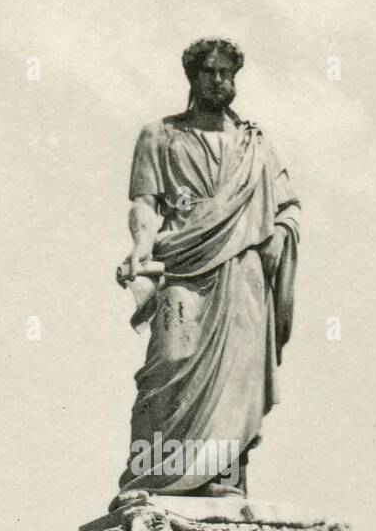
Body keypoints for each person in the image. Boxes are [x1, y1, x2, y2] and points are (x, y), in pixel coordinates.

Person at [116, 38, 301, 496]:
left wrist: (279, 233)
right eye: (210, 72)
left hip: (242, 270)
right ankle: (150, 476)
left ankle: (225, 477)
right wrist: (142, 246)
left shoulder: (254, 144)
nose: (220, 81)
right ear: (193, 78)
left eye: (228, 73)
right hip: (181, 265)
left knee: (238, 374)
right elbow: (143, 203)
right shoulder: (159, 135)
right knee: (171, 362)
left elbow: (289, 206)